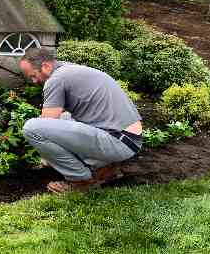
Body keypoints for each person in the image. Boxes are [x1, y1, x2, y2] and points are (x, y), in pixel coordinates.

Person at [18, 48, 142, 194]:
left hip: (118, 141)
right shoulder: (70, 70)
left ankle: (80, 181)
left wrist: (49, 155)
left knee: (31, 128)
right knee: (65, 118)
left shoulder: (56, 79)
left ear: (45, 66)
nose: (33, 81)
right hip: (129, 139)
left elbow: (46, 123)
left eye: (33, 75)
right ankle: (105, 168)